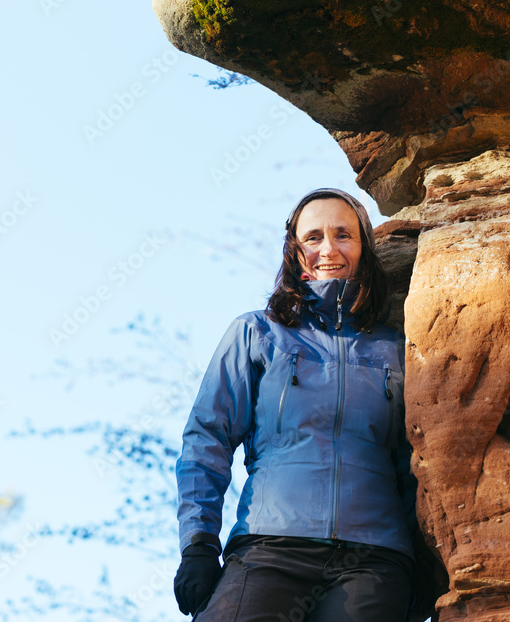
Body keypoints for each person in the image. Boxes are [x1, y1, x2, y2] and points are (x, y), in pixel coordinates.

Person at [173, 188, 418, 622]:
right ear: (294, 250)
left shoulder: (395, 349)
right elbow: (206, 440)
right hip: (268, 550)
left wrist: (424, 563)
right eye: (313, 237)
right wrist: (199, 543)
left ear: (364, 247)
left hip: (374, 561)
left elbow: (414, 463)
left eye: (344, 235)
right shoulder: (257, 333)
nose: (329, 249)